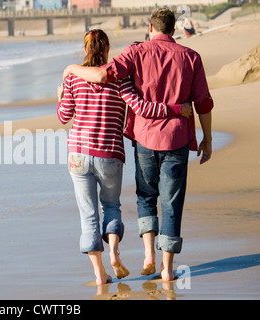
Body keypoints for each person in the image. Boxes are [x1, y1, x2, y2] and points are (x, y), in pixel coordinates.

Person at [62, 8, 213, 281]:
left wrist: (71, 69)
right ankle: (166, 270)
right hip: (175, 138)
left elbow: (100, 77)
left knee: (144, 197)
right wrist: (207, 138)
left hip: (142, 138)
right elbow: (203, 102)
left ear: (149, 26)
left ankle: (146, 256)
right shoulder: (191, 57)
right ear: (174, 28)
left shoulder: (135, 53)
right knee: (171, 203)